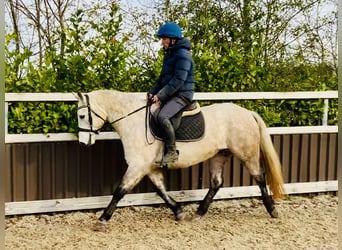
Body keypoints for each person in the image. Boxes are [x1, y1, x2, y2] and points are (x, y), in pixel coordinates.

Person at [148, 21, 195, 165]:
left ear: (173, 39)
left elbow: (178, 81)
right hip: (172, 94)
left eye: (164, 39)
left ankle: (171, 151)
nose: (162, 42)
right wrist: (152, 92)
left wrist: (160, 96)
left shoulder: (183, 56)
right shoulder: (170, 54)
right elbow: (163, 79)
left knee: (162, 116)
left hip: (182, 95)